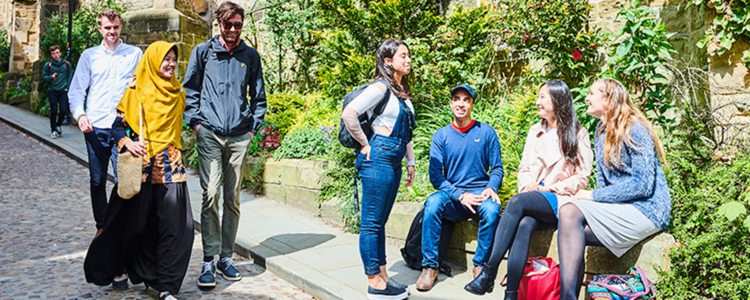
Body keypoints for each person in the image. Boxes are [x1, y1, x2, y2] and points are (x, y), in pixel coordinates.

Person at [464, 80, 593, 299]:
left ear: (558, 100)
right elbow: (524, 167)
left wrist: (547, 188)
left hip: (561, 200)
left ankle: (489, 271)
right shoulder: (535, 131)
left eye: (543, 97)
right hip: (534, 198)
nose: (537, 101)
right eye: (538, 96)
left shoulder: (578, 133)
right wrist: (527, 185)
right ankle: (511, 294)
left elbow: (582, 177)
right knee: (524, 225)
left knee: (515, 202)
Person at [83, 41, 192, 300]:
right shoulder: (136, 91)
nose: (171, 64)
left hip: (171, 167)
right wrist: (128, 143)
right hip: (141, 167)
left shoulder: (178, 93)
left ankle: (166, 286)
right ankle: (120, 267)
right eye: (166, 59)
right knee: (132, 225)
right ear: (153, 61)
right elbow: (117, 127)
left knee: (175, 229)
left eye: (174, 59)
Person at [557, 79, 671, 300]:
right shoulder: (601, 130)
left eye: (591, 93)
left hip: (648, 211)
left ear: (607, 100)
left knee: (569, 212)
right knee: (572, 228)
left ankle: (566, 298)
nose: (586, 98)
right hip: (622, 210)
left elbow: (643, 185)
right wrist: (594, 200)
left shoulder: (635, 129)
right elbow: (603, 181)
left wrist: (592, 196)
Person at [182, 1, 266, 288]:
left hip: (240, 136)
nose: (232, 30)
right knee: (210, 194)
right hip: (210, 134)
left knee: (232, 198)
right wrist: (195, 123)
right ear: (219, 23)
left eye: (238, 25)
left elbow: (259, 97)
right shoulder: (203, 53)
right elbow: (190, 89)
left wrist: (253, 129)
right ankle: (209, 258)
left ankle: (226, 258)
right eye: (228, 25)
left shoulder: (250, 55)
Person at [342, 39, 416, 300]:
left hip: (393, 161)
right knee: (372, 223)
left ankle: (383, 275)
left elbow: (407, 133)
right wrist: (364, 143)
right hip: (378, 158)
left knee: (380, 222)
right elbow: (349, 114)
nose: (408, 60)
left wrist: (410, 162)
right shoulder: (380, 88)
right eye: (403, 56)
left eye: (409, 55)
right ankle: (374, 281)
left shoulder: (402, 93)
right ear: (388, 61)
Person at [416, 84, 504, 292]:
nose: (461, 104)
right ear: (451, 104)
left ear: (472, 105)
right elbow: (436, 176)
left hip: (480, 193)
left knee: (492, 210)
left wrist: (492, 187)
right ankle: (430, 267)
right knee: (433, 203)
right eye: (457, 99)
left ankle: (480, 266)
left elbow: (497, 167)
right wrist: (459, 195)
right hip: (454, 196)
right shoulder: (441, 135)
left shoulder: (486, 132)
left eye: (466, 100)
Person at [68, 9, 143, 236]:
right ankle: (102, 227)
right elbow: (76, 90)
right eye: (107, 27)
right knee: (97, 181)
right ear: (100, 28)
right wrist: (80, 115)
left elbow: (142, 89)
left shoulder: (134, 54)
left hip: (123, 127)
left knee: (126, 182)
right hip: (96, 127)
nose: (112, 31)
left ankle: (121, 225)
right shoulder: (89, 56)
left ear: (121, 27)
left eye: (115, 27)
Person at [42, 45, 72, 139]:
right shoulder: (48, 65)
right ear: (51, 55)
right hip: (52, 91)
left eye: (57, 53)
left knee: (64, 110)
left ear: (60, 53)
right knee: (54, 111)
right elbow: (44, 77)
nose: (56, 55)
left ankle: (58, 125)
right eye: (53, 53)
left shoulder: (66, 64)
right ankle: (53, 130)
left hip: (63, 90)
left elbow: (70, 76)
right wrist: (51, 77)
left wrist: (67, 87)